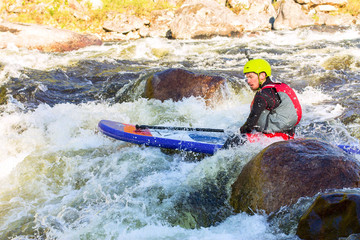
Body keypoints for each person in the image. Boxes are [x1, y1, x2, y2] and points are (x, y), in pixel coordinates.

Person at [223, 58, 302, 148]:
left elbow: (249, 125)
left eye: (251, 77)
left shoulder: (262, 95)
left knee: (235, 138)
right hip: (289, 137)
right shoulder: (279, 87)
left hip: (272, 140)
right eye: (247, 77)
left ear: (262, 76)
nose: (248, 81)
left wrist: (239, 131)